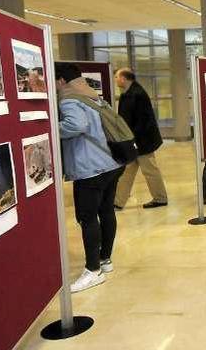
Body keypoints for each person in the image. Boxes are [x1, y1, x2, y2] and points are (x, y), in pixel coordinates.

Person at [54, 63, 126, 293]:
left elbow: (77, 124)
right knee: (106, 211)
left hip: (90, 168)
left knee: (87, 218)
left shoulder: (69, 99)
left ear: (62, 81)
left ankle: (92, 270)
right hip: (111, 164)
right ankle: (105, 259)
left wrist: (50, 128)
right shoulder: (92, 96)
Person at [113, 68, 168, 209]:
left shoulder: (137, 94)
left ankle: (160, 198)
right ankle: (118, 202)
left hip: (142, 141)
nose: (115, 79)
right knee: (127, 171)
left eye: (117, 77)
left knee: (149, 170)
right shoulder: (129, 93)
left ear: (124, 79)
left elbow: (143, 121)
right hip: (134, 140)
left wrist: (132, 140)